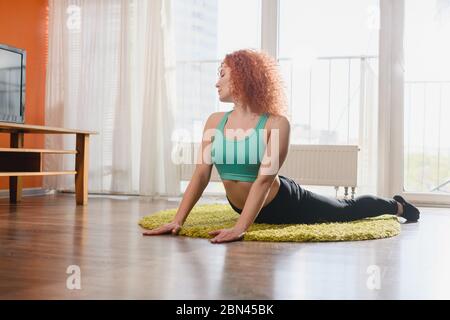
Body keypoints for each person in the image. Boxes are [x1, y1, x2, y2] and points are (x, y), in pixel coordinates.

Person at [142, 49, 420, 244]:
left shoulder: (276, 124)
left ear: (242, 77)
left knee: (345, 209)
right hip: (243, 205)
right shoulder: (214, 122)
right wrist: (178, 220)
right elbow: (201, 174)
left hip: (284, 202)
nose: (217, 82)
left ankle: (396, 206)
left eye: (222, 74)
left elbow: (264, 181)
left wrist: (241, 228)